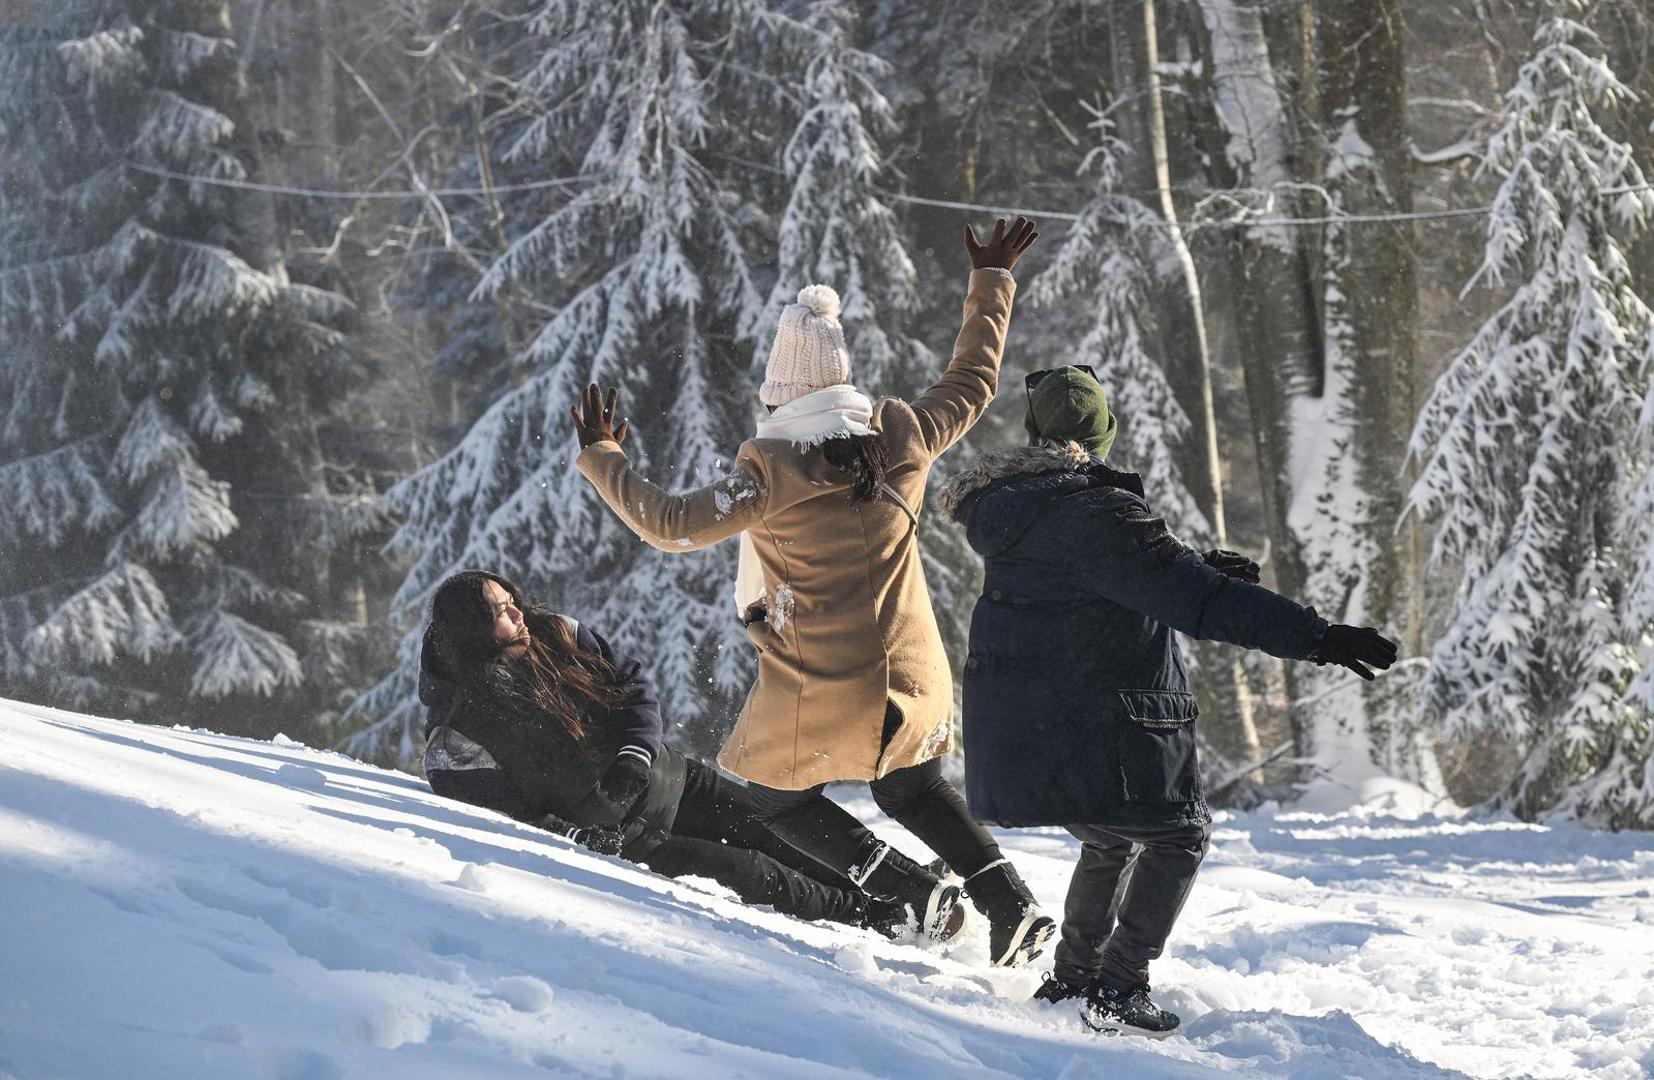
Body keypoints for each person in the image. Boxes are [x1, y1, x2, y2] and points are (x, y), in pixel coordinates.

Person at [566, 217, 1057, 967]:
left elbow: (668, 523)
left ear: (780, 403)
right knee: (911, 787)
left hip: (824, 681)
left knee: (767, 796)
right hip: (915, 672)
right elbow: (974, 382)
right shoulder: (908, 438)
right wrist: (991, 282)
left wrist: (603, 456)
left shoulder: (773, 475)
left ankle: (912, 893)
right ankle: (1009, 903)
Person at [937, 364, 1399, 1034]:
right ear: (1105, 432)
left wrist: (1195, 568)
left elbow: (1093, 585)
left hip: (1029, 729)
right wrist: (1319, 636)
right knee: (1180, 835)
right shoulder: (1101, 511)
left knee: (1111, 838)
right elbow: (1198, 604)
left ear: (1035, 435)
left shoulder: (1019, 510)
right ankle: (1119, 988)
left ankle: (1072, 979)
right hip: (1094, 725)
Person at [418, 569, 912, 936]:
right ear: (471, 631)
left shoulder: (559, 633)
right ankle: (875, 918)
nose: (517, 615)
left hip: (669, 778)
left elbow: (634, 690)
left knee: (775, 829)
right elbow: (502, 817)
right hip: (623, 839)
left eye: (511, 601)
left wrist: (634, 757)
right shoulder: (457, 734)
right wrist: (572, 834)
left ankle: (906, 888)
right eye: (499, 614)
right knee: (752, 873)